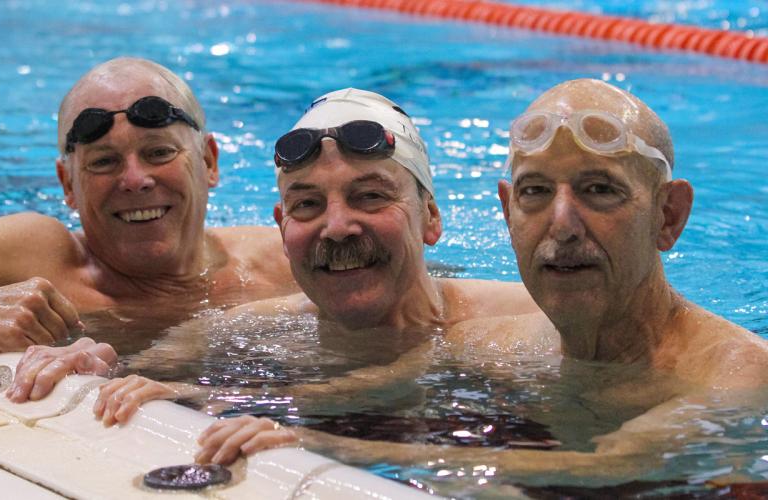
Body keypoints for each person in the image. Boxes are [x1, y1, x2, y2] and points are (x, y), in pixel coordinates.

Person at [144, 80, 768, 475]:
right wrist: (207, 404)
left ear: (669, 215)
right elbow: (370, 385)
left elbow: (601, 465)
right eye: (534, 192)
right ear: (505, 210)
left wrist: (334, 448)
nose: (563, 224)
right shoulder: (514, 340)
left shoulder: (735, 368)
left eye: (600, 191)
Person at [86, 88, 543, 462]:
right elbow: (119, 376)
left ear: (431, 217)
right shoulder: (242, 330)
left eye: (369, 196)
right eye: (308, 205)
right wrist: (80, 362)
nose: (337, 226)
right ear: (282, 229)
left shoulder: (523, 326)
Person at [0, 57, 297, 387]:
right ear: (68, 184)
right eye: (104, 161)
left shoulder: (285, 266)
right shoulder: (37, 256)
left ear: (208, 161)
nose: (135, 179)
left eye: (158, 153)